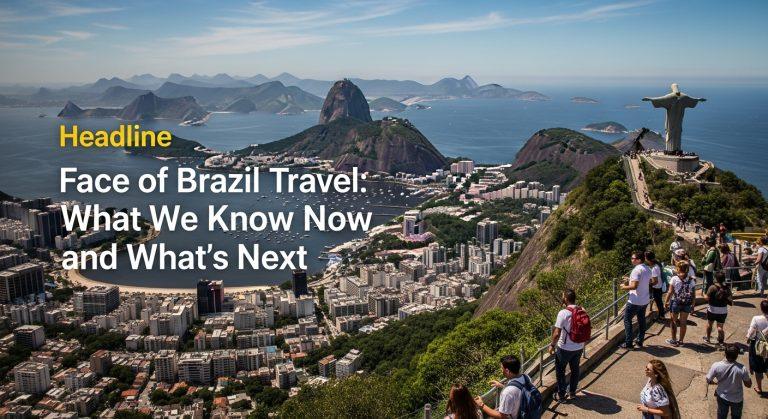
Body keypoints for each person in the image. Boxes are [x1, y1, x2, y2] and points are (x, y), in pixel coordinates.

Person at [549, 289, 586, 402]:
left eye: (562, 296)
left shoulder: (563, 313)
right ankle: (572, 392)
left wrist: (552, 345)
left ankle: (561, 396)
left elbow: (556, 333)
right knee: (575, 370)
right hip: (579, 347)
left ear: (565, 298)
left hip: (564, 348)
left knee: (560, 372)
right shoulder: (582, 310)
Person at [706, 344, 752, 419]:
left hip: (722, 396)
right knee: (736, 416)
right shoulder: (742, 368)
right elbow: (748, 385)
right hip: (737, 399)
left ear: (725, 354)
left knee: (721, 415)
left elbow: (708, 379)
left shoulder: (716, 365)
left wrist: (715, 383)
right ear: (737, 356)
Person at [620, 251, 652, 349]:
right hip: (645, 299)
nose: (631, 260)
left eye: (633, 258)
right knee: (641, 320)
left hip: (635, 301)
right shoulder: (647, 268)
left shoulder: (636, 270)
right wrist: (629, 279)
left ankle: (629, 343)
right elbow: (646, 281)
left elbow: (634, 286)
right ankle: (639, 340)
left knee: (627, 320)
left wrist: (623, 287)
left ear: (638, 260)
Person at [664, 261, 696, 347]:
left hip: (676, 302)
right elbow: (693, 294)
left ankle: (674, 340)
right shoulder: (691, 279)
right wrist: (693, 305)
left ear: (678, 268)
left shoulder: (674, 278)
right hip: (687, 303)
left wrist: (666, 302)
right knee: (683, 322)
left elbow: (670, 292)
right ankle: (681, 341)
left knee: (673, 321)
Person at [704, 272, 733, 349]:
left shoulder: (712, 287)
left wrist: (704, 295)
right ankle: (721, 341)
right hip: (723, 311)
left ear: (716, 279)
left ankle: (708, 338)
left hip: (712, 310)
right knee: (720, 327)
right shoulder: (727, 288)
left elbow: (706, 298)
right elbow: (731, 300)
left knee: (709, 324)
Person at [746, 299, 768, 396]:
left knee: (758, 367)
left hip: (758, 345)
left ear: (761, 308)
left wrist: (748, 338)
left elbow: (751, 332)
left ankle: (759, 387)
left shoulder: (756, 318)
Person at [646, 251, 665, 322]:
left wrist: (648, 284)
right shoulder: (657, 265)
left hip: (656, 288)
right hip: (659, 286)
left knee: (659, 303)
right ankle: (661, 316)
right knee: (659, 302)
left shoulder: (654, 268)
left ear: (647, 259)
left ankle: (661, 317)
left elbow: (655, 281)